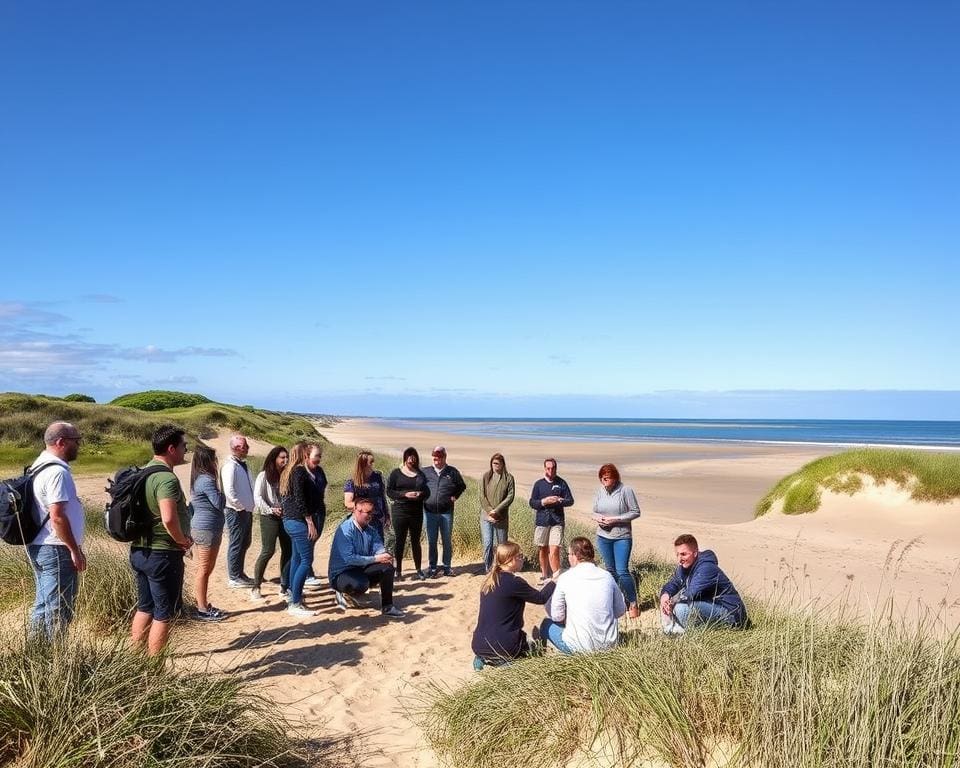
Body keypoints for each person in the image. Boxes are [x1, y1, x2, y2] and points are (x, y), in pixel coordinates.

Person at [130, 425, 192, 655]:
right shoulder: (166, 479)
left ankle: (135, 660)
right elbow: (168, 518)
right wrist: (182, 540)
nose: (186, 450)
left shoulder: (143, 472)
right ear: (171, 448)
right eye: (184, 446)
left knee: (144, 607)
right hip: (162, 553)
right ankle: (155, 669)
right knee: (163, 614)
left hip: (140, 550)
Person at [26, 421, 86, 640]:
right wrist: (74, 550)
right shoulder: (57, 472)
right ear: (61, 442)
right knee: (58, 609)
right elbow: (57, 516)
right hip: (55, 548)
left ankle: (36, 655)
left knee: (44, 605)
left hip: (41, 545)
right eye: (76, 441)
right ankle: (54, 661)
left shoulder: (38, 465)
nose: (79, 445)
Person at [472, 541, 554, 668]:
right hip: (504, 647)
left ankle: (482, 659)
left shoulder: (489, 580)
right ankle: (502, 662)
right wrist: (554, 582)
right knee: (533, 650)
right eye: (520, 556)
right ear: (510, 560)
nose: (523, 559)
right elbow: (540, 598)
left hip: (478, 644)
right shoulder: (514, 582)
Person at [539, 537, 625, 654]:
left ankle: (543, 657)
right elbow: (620, 610)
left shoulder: (565, 578)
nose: (569, 558)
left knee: (546, 624)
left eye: (569, 554)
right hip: (608, 646)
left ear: (575, 556)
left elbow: (556, 616)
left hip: (578, 647)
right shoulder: (607, 576)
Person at [328, 497, 405, 619]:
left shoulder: (371, 530)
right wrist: (376, 559)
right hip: (342, 572)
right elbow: (350, 558)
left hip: (361, 567)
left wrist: (385, 555)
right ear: (357, 511)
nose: (370, 516)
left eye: (371, 512)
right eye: (367, 513)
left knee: (387, 568)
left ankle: (388, 606)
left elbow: (378, 547)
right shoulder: (345, 530)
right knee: (361, 584)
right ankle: (342, 592)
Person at [659, 534, 749, 634]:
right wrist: (665, 596)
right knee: (665, 602)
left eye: (683, 554)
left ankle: (689, 632)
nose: (679, 559)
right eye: (677, 554)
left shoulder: (706, 568)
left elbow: (691, 593)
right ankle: (670, 629)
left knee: (681, 609)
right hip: (711, 607)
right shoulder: (684, 566)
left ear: (695, 553)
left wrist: (672, 603)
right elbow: (674, 583)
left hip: (731, 615)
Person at [280, 442, 326, 617]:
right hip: (297, 521)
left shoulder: (294, 471)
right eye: (316, 455)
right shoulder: (299, 471)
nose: (319, 459)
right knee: (306, 560)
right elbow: (299, 499)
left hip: (293, 520)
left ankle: (293, 594)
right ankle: (295, 603)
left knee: (297, 558)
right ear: (305, 455)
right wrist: (309, 521)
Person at [592, 463, 641, 619]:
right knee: (610, 570)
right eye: (602, 478)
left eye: (607, 477)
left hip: (621, 537)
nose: (604, 480)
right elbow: (594, 511)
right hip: (603, 536)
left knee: (622, 571)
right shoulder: (600, 491)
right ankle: (615, 601)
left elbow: (635, 512)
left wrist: (616, 519)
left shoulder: (626, 490)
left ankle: (633, 602)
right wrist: (597, 518)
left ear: (615, 477)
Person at [188, 444, 226, 621]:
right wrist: (223, 490)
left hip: (208, 529)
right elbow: (219, 503)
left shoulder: (200, 479)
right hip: (206, 530)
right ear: (207, 461)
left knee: (205, 569)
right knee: (203, 569)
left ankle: (203, 605)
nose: (216, 462)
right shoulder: (206, 480)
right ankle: (202, 608)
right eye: (213, 459)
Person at [251, 445, 291, 601]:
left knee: (288, 551)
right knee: (268, 550)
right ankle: (256, 586)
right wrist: (271, 509)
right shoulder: (263, 476)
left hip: (285, 517)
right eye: (282, 457)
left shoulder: (288, 475)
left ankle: (284, 587)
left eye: (287, 457)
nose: (285, 460)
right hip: (268, 516)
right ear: (274, 458)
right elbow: (258, 497)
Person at [385, 447, 430, 581]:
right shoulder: (396, 473)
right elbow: (389, 491)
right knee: (400, 541)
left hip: (416, 512)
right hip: (399, 511)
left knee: (416, 541)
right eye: (409, 456)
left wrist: (420, 494)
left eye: (414, 456)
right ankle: (398, 570)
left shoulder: (420, 474)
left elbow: (427, 492)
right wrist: (404, 495)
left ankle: (419, 570)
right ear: (405, 458)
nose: (412, 459)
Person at [422, 445, 466, 577]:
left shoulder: (452, 472)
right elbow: (417, 484)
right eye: (435, 458)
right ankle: (432, 567)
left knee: (446, 540)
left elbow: (462, 486)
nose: (437, 460)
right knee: (431, 540)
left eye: (439, 458)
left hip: (446, 512)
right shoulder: (425, 472)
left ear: (444, 457)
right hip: (429, 512)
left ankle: (447, 567)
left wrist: (455, 496)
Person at [528, 458, 574, 584]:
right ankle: (544, 574)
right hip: (542, 521)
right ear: (544, 469)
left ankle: (556, 577)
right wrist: (544, 501)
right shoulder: (538, 484)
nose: (551, 470)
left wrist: (559, 500)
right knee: (542, 548)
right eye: (548, 468)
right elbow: (532, 502)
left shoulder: (562, 483)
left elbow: (570, 500)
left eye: (553, 468)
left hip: (557, 522)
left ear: (556, 468)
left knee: (554, 550)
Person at [221, 434, 255, 588]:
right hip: (236, 511)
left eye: (246, 445)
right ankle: (234, 577)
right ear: (235, 448)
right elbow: (229, 491)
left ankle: (240, 573)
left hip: (246, 510)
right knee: (236, 543)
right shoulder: (230, 466)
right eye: (244, 446)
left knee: (245, 542)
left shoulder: (242, 464)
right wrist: (239, 506)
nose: (247, 448)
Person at [479, 453, 515, 574]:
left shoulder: (509, 478)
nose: (495, 466)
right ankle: (488, 568)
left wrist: (497, 510)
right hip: (486, 516)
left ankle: (502, 568)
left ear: (502, 464)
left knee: (502, 545)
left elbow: (510, 496)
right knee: (488, 543)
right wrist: (490, 511)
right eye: (493, 463)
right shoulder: (486, 476)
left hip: (501, 517)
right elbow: (481, 496)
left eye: (497, 464)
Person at [343, 450, 390, 540]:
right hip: (361, 520)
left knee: (378, 548)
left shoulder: (377, 476)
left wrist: (387, 516)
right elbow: (348, 503)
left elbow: (382, 497)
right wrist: (364, 507)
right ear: (363, 464)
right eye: (370, 462)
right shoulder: (352, 481)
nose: (373, 464)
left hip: (378, 519)